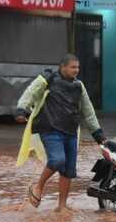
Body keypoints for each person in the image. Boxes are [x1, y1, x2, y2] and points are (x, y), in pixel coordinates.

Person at [15, 54, 106, 212]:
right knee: (57, 161)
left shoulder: (79, 86)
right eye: (73, 67)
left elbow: (88, 111)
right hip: (49, 128)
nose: (76, 70)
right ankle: (38, 186)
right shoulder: (47, 79)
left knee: (68, 170)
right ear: (62, 67)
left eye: (78, 67)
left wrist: (98, 134)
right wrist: (21, 109)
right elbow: (30, 93)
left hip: (70, 131)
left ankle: (62, 207)